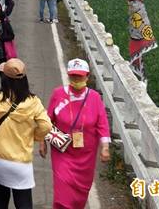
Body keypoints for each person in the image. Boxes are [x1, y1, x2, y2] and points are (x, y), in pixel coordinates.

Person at [40, 58, 111, 209]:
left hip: (86, 156)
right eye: (73, 76)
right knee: (62, 194)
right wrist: (42, 142)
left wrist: (105, 147)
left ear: (87, 76)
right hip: (62, 152)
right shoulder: (58, 94)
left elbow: (102, 124)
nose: (76, 79)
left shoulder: (95, 98)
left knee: (79, 198)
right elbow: (47, 121)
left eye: (80, 76)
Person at [0, 59, 52, 209]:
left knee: (0, 200)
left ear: (5, 78)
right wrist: (35, 136)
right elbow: (47, 125)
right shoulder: (33, 102)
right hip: (20, 161)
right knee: (23, 203)